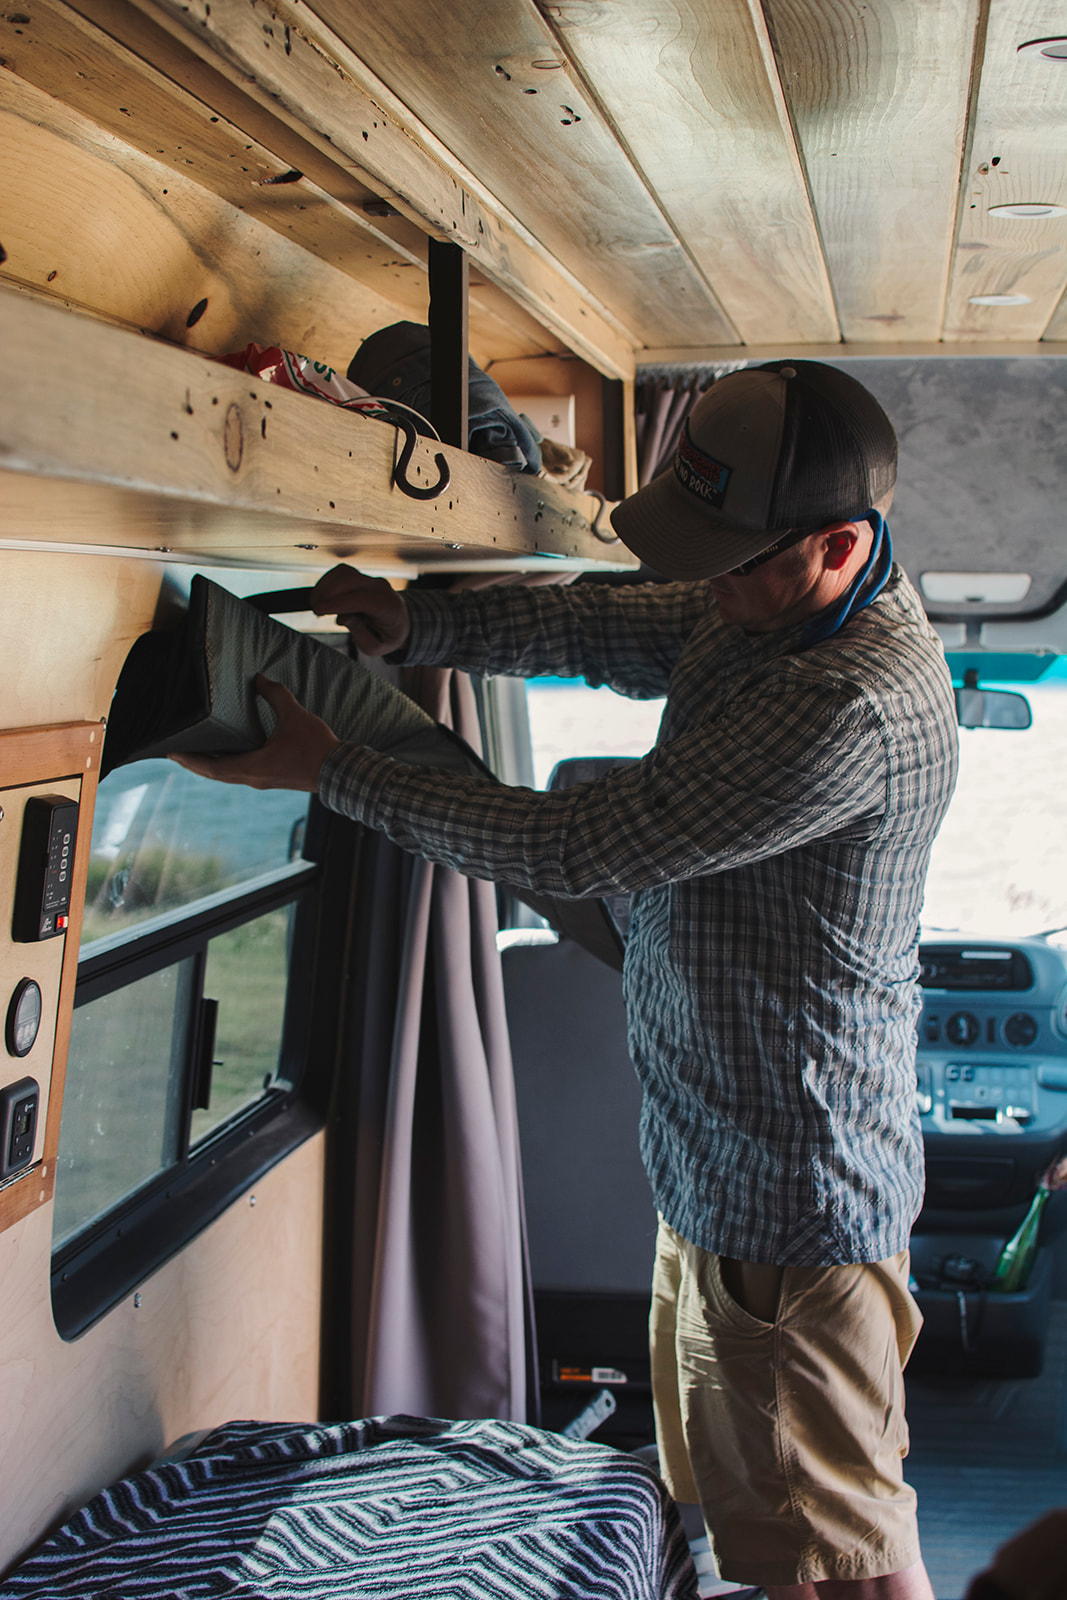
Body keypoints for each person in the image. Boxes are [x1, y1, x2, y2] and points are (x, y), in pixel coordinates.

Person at [175, 360, 959, 1598]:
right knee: (766, 1534)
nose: (700, 584)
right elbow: (606, 624)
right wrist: (416, 624)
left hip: (792, 1204)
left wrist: (339, 772)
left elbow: (574, 847)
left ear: (837, 544)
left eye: (724, 562)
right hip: (712, 1171)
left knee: (841, 1559)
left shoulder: (843, 704)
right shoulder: (760, 594)